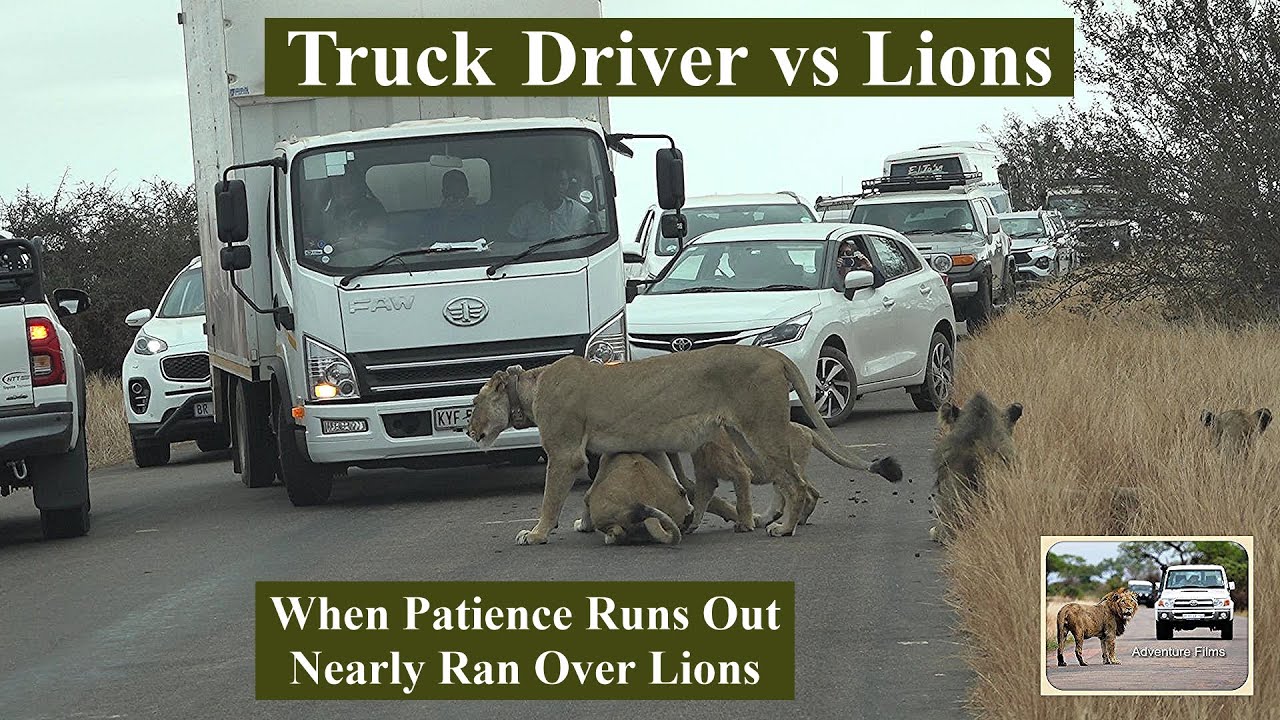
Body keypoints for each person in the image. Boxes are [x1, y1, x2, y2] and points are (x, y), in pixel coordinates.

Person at [507, 163, 591, 244]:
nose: (559, 187)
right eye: (553, 183)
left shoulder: (580, 213)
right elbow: (513, 247)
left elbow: (583, 246)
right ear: (543, 184)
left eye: (563, 183)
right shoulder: (524, 214)